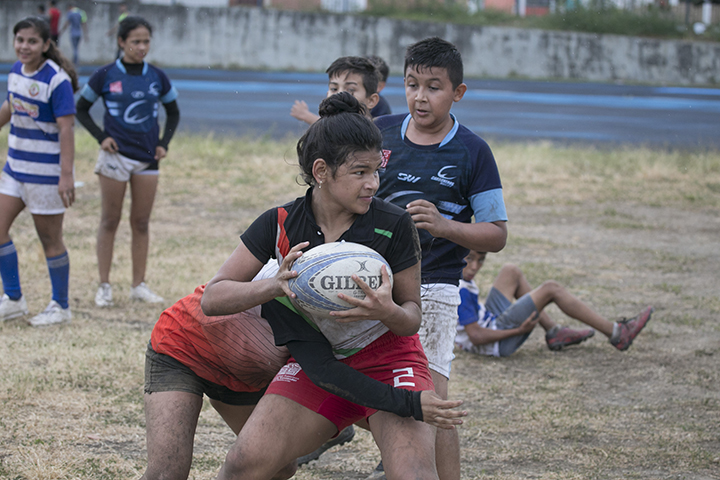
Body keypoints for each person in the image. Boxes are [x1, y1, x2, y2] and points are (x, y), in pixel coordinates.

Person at [200, 92, 465, 480]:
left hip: (391, 361)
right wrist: (272, 286)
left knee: (414, 475)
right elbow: (213, 298)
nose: (373, 183)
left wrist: (386, 311)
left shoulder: (394, 224)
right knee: (242, 464)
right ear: (321, 171)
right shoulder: (281, 222)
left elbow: (411, 318)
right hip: (317, 364)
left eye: (377, 171)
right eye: (360, 172)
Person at [142, 260, 463, 480]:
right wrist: (409, 404)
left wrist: (412, 409)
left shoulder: (338, 316)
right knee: (167, 472)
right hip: (181, 350)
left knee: (279, 469)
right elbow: (326, 373)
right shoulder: (294, 287)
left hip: (247, 377)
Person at [367, 37, 509, 480]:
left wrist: (445, 225)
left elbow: (497, 234)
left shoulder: (473, 151)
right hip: (370, 280)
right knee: (360, 382)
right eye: (412, 85)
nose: (420, 97)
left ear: (457, 92)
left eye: (433, 87)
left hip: (435, 285)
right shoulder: (381, 132)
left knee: (432, 399)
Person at [76, 16, 180, 308]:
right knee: (109, 220)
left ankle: (139, 285)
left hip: (147, 159)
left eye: (146, 41)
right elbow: (81, 108)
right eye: (135, 41)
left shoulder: (157, 76)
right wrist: (101, 137)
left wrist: (163, 143)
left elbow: (173, 112)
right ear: (121, 42)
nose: (141, 47)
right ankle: (104, 286)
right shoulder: (105, 74)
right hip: (114, 158)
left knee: (142, 223)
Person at [0, 17, 78, 327]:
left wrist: (66, 175)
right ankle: (14, 299)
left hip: (45, 174)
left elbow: (66, 128)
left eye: (32, 41)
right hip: (15, 168)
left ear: (46, 45)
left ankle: (61, 306)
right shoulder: (16, 71)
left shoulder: (56, 80)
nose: (24, 46)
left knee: (50, 239)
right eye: (20, 40)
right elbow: (11, 105)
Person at [456, 250, 655, 356]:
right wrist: (518, 331)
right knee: (551, 288)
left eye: (481, 260)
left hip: (490, 322)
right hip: (498, 344)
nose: (475, 266)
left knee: (510, 271)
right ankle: (617, 333)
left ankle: (553, 332)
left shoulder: (459, 279)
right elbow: (476, 336)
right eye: (469, 258)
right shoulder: (461, 291)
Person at [290, 56, 380, 125]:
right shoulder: (321, 138)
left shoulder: (379, 137)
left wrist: (306, 116)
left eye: (350, 90)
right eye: (334, 89)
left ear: (371, 100)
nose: (339, 94)